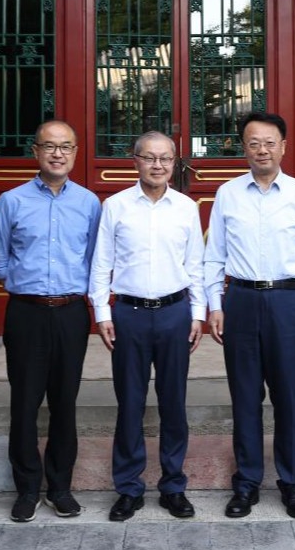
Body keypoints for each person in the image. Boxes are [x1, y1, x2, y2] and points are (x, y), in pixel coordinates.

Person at [204, 112, 295, 520]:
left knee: (288, 397)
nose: (262, 150)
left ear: (284, 147)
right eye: (254, 142)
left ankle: (292, 483)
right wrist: (215, 305)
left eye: (270, 142)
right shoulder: (227, 194)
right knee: (245, 396)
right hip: (240, 299)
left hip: (288, 301)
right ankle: (247, 482)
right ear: (244, 148)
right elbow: (214, 256)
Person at [88, 131, 206, 522]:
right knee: (130, 403)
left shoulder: (185, 207)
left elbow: (195, 264)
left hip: (175, 313)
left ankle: (173, 486)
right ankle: (128, 487)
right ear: (135, 160)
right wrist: (102, 313)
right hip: (130, 315)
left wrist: (198, 313)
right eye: (149, 158)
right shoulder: (116, 206)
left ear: (175, 163)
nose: (158, 165)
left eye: (165, 158)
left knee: (174, 403)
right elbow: (102, 263)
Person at [0, 120, 101, 522]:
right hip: (27, 312)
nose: (58, 154)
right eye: (50, 146)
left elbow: (95, 258)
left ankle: (60, 487)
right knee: (24, 402)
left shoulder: (89, 203)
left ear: (75, 153)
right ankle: (26, 488)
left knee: (64, 402)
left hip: (71, 312)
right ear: (35, 151)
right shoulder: (11, 201)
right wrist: (28, 286)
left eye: (66, 147)